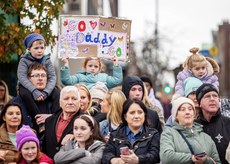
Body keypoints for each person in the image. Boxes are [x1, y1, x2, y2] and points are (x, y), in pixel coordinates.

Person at [17, 33, 60, 130]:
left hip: (45, 86)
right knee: (25, 93)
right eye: (36, 48)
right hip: (27, 86)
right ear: (28, 49)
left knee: (57, 93)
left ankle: (55, 118)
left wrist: (46, 92)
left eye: (42, 48)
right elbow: (22, 77)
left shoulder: (47, 60)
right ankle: (39, 118)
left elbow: (52, 77)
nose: (39, 51)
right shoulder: (24, 60)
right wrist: (34, 91)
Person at [160, 96, 220, 164]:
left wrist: (206, 161)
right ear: (176, 115)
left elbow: (217, 162)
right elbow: (166, 157)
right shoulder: (168, 133)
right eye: (183, 110)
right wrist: (192, 158)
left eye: (190, 109)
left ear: (194, 114)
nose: (187, 112)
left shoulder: (206, 137)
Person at [102, 99, 160, 164]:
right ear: (125, 116)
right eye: (132, 113)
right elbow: (106, 154)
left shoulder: (153, 134)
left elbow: (155, 155)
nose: (136, 116)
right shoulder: (115, 134)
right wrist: (113, 160)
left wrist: (138, 160)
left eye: (140, 112)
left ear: (144, 115)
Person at [14, 63, 60, 135]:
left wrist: (51, 118)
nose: (40, 78)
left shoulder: (57, 99)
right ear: (28, 79)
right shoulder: (16, 102)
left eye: (43, 75)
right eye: (36, 75)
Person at [42, 86, 82, 159]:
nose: (70, 102)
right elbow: (45, 147)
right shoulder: (49, 121)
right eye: (66, 99)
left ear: (79, 102)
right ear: (60, 102)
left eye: (74, 99)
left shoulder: (86, 120)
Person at [195, 83, 230, 164]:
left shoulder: (228, 123)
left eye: (215, 96)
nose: (212, 99)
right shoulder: (193, 127)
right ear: (199, 103)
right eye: (207, 96)